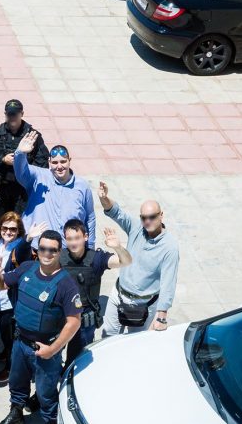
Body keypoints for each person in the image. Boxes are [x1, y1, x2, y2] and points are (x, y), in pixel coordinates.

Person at [0, 230, 83, 424]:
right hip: (20, 342)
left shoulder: (66, 284)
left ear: (60, 252)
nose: (47, 253)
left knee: (45, 392)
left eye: (52, 250)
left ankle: (49, 420)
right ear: (37, 250)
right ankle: (16, 414)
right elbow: (0, 285)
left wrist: (53, 350)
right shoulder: (27, 268)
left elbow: (74, 322)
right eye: (43, 248)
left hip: (45, 349)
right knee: (16, 382)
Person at [97, 181, 180, 336]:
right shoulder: (137, 227)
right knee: (107, 337)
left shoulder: (170, 247)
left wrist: (161, 317)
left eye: (152, 217)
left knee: (135, 342)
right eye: (144, 217)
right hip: (119, 295)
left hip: (144, 304)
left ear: (161, 215)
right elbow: (116, 212)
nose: (147, 221)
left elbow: (168, 282)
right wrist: (104, 198)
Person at [55, 220, 131, 359]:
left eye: (77, 238)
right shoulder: (59, 257)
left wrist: (118, 247)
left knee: (79, 359)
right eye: (69, 239)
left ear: (86, 237)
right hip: (61, 316)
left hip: (84, 322)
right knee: (53, 356)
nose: (73, 243)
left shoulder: (96, 258)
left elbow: (126, 262)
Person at [14, 132, 96, 248]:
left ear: (69, 160)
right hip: (36, 247)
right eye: (55, 162)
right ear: (49, 162)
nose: (59, 166)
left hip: (68, 249)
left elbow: (90, 218)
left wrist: (90, 247)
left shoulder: (82, 186)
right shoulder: (38, 177)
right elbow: (21, 173)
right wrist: (20, 153)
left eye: (63, 161)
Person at [0, 212, 34, 385]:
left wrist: (28, 238)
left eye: (13, 229)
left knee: (11, 336)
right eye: (5, 228)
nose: (8, 232)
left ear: (19, 231)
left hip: (10, 301)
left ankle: (10, 367)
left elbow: (23, 250)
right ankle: (7, 354)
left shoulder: (19, 247)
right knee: (4, 331)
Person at [0, 99, 49, 214]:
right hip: (2, 188)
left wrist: (23, 165)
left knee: (22, 220)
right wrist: (2, 159)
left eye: (15, 114)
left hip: (23, 189)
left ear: (22, 114)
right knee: (2, 221)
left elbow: (42, 163)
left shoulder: (32, 136)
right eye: (9, 114)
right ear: (5, 114)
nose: (12, 117)